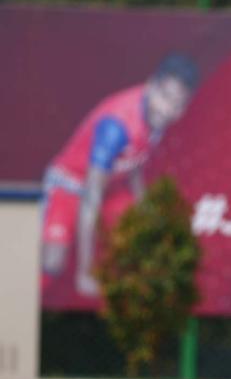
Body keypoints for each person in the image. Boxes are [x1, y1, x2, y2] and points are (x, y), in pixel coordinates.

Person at [41, 53, 199, 302]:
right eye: (166, 98)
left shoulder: (158, 117)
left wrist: (144, 208)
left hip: (110, 186)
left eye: (178, 104)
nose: (169, 109)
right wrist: (85, 272)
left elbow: (135, 162)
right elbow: (90, 197)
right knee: (51, 263)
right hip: (71, 186)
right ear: (151, 86)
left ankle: (138, 311)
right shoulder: (116, 126)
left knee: (146, 233)